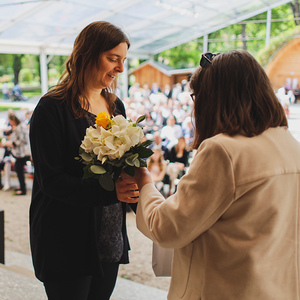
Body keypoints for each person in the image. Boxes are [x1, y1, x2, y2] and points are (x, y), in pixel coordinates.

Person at [118, 50, 300, 299]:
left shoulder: (223, 151)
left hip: (226, 288)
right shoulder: (290, 145)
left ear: (212, 98)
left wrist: (145, 182)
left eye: (195, 97)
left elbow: (168, 228)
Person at [29, 21, 139, 300]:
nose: (120, 69)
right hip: (66, 239)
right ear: (87, 54)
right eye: (113, 59)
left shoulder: (116, 105)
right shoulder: (52, 108)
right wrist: (109, 191)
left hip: (109, 235)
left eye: (123, 60)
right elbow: (51, 181)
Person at [3, 114, 30, 195]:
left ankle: (23, 189)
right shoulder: (19, 126)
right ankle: (22, 187)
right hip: (21, 152)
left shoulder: (20, 127)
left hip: (22, 152)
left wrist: (9, 143)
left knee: (19, 169)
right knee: (19, 169)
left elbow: (19, 140)